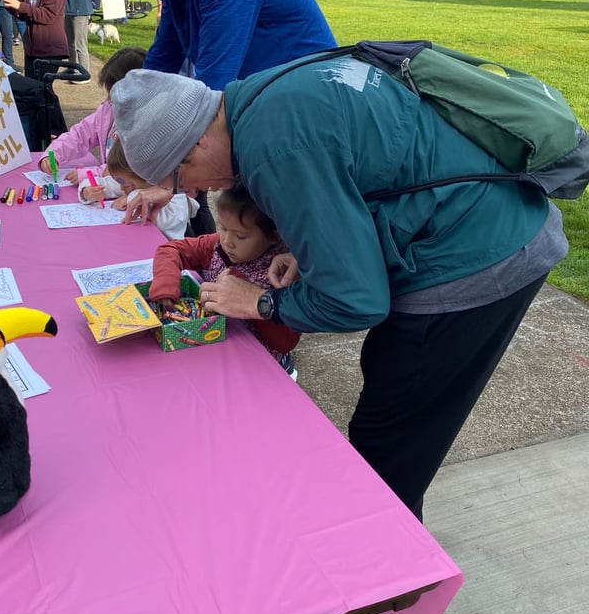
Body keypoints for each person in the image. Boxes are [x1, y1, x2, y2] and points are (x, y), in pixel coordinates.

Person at [109, 61, 569, 521]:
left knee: (389, 444)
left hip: (478, 254)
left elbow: (355, 302)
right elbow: (360, 173)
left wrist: (260, 302)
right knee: (388, 423)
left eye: (181, 181)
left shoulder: (273, 151)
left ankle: (387, 556)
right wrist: (307, 247)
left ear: (195, 145)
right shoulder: (255, 96)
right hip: (488, 217)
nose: (201, 190)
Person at [98, 0, 337, 235]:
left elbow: (211, 91)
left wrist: (168, 180)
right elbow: (158, 68)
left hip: (305, 112)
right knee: (255, 226)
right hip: (266, 107)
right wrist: (126, 136)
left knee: (285, 225)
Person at [149, 184, 301, 379]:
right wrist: (166, 284)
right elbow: (172, 250)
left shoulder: (284, 274)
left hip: (255, 364)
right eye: (223, 227)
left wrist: (252, 302)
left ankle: (286, 367)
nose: (228, 241)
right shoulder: (217, 245)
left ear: (274, 235)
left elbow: (285, 342)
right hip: (211, 345)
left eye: (240, 236)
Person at [38, 47, 145, 182]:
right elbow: (79, 135)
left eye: (116, 92)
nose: (112, 98)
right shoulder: (108, 109)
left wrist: (91, 174)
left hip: (129, 189)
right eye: (110, 92)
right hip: (108, 186)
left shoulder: (145, 122)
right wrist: (54, 154)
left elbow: (130, 168)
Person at [76, 139, 197, 241]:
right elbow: (104, 183)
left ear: (145, 175)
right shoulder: (129, 183)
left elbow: (165, 224)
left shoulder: (175, 193)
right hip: (136, 243)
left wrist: (131, 197)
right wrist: (87, 191)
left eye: (126, 185)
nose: (122, 188)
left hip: (166, 252)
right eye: (121, 183)